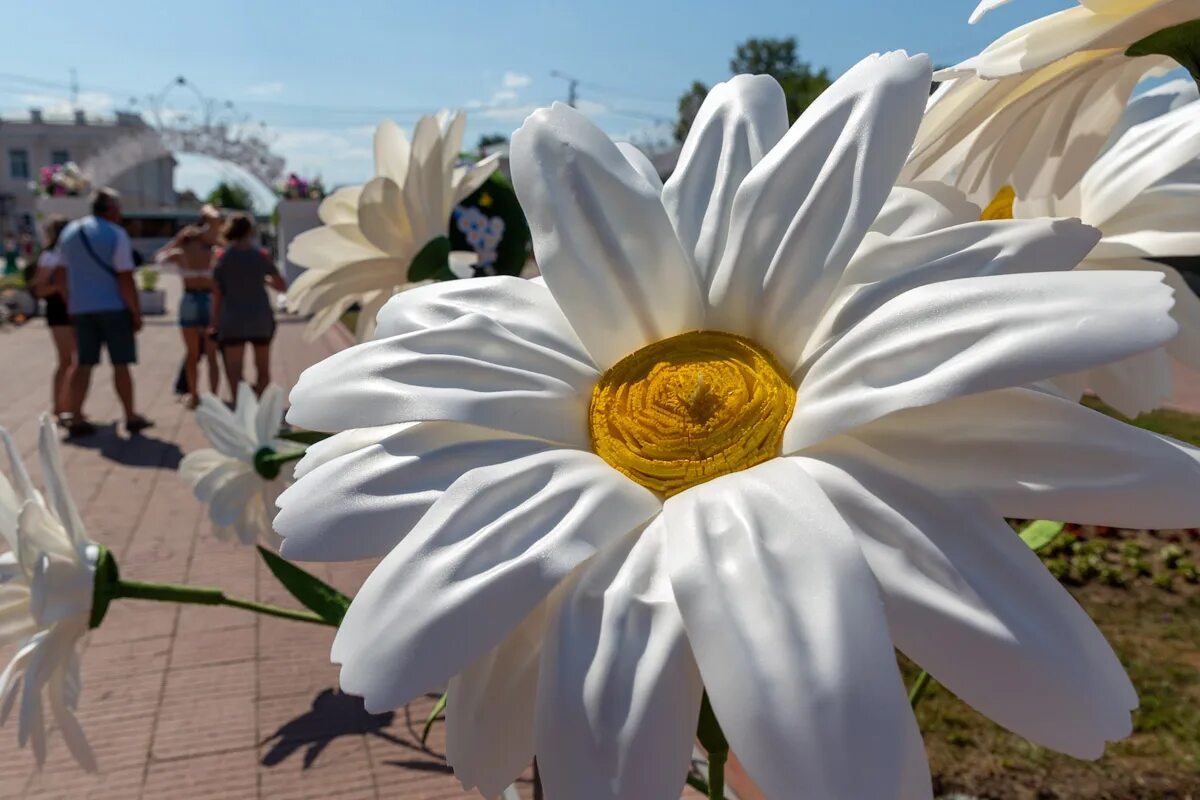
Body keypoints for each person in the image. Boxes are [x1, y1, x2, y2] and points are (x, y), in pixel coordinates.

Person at [56, 188, 152, 437]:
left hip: (82, 309)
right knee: (121, 364)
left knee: (82, 363)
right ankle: (130, 415)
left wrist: (72, 302)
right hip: (114, 308)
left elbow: (60, 274)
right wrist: (136, 312)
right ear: (111, 210)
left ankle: (76, 416)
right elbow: (125, 277)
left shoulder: (69, 233)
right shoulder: (115, 234)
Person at [211, 213, 285, 399]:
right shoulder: (261, 256)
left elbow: (217, 295)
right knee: (263, 369)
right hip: (260, 318)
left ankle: (240, 407)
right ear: (250, 231)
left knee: (234, 371)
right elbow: (281, 286)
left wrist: (214, 322)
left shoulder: (222, 258)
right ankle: (262, 405)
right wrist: (264, 279)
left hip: (232, 319)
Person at [156, 204, 223, 408]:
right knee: (212, 355)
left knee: (192, 354)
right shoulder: (214, 251)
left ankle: (194, 395)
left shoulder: (181, 251)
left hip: (190, 299)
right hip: (210, 299)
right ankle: (213, 397)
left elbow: (159, 258)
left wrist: (177, 241)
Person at [31, 217, 72, 423]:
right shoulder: (50, 256)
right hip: (58, 310)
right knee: (66, 360)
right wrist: (61, 285)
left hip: (73, 309)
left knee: (74, 361)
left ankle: (69, 404)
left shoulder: (68, 254)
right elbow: (40, 288)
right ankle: (59, 406)